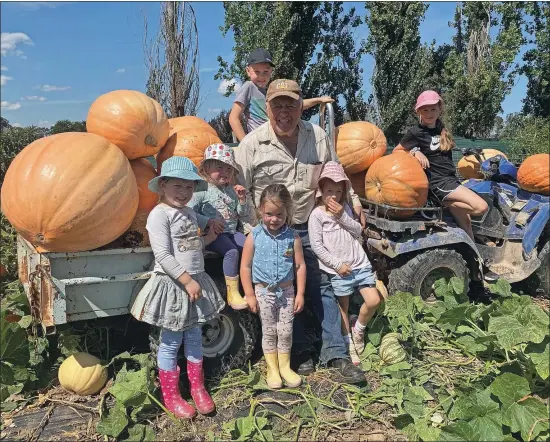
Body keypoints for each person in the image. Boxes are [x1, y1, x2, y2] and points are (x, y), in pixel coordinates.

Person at [234, 78, 366, 384]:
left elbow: (335, 172)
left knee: (322, 286)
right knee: (282, 293)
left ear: (300, 105)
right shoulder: (252, 144)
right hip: (269, 232)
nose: (284, 111)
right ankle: (301, 353)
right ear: (266, 108)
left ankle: (336, 354)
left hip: (310, 226)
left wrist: (354, 202)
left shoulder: (316, 136)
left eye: (290, 104)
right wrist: (251, 235)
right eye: (277, 105)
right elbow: (236, 190)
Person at [141, 156, 226, 419]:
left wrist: (211, 230)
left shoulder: (189, 213)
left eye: (189, 187)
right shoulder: (159, 215)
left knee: (194, 336)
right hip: (176, 284)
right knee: (170, 340)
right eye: (178, 186)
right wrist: (187, 280)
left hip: (194, 281)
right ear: (163, 185)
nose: (184, 192)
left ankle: (198, 387)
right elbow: (164, 256)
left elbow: (193, 243)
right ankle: (172, 394)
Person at [308, 162, 382, 365]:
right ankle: (347, 339)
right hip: (340, 270)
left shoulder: (346, 208)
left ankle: (358, 328)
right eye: (329, 190)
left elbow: (358, 231)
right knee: (344, 306)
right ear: (321, 191)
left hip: (359, 263)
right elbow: (317, 246)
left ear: (344, 192)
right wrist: (337, 265)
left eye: (338, 191)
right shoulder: (316, 216)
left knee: (374, 300)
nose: (333, 196)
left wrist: (342, 215)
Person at [393, 90, 488, 241]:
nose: (429, 113)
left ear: (439, 109)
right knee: (481, 207)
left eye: (433, 109)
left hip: (451, 179)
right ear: (418, 111)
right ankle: (444, 203)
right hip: (438, 182)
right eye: (425, 109)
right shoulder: (415, 132)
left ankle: (476, 260)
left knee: (467, 224)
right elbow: (397, 152)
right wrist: (414, 152)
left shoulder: (442, 128)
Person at [240, 184, 306, 388]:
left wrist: (300, 293)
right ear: (260, 209)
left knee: (285, 330)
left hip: (287, 292)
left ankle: (285, 366)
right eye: (269, 214)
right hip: (264, 292)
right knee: (269, 330)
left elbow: (300, 265)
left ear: (287, 211)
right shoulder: (255, 236)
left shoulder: (292, 237)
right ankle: (272, 368)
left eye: (279, 214)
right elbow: (245, 266)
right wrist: (249, 294)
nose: (274, 219)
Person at [189, 143, 251, 310]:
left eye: (229, 169)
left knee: (250, 247)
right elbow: (190, 212)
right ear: (207, 169)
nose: (225, 172)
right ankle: (233, 293)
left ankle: (250, 288)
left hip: (231, 231)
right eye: (219, 167)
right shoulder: (202, 190)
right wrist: (208, 222)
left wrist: (242, 199)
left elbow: (241, 214)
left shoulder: (231, 190)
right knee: (231, 251)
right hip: (214, 234)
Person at [229, 48, 334, 142]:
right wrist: (244, 142)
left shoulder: (270, 91)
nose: (261, 76)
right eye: (257, 72)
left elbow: (297, 104)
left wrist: (319, 100)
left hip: (275, 137)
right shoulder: (249, 86)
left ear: (271, 71)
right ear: (248, 71)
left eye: (265, 71)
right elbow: (233, 118)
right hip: (260, 139)